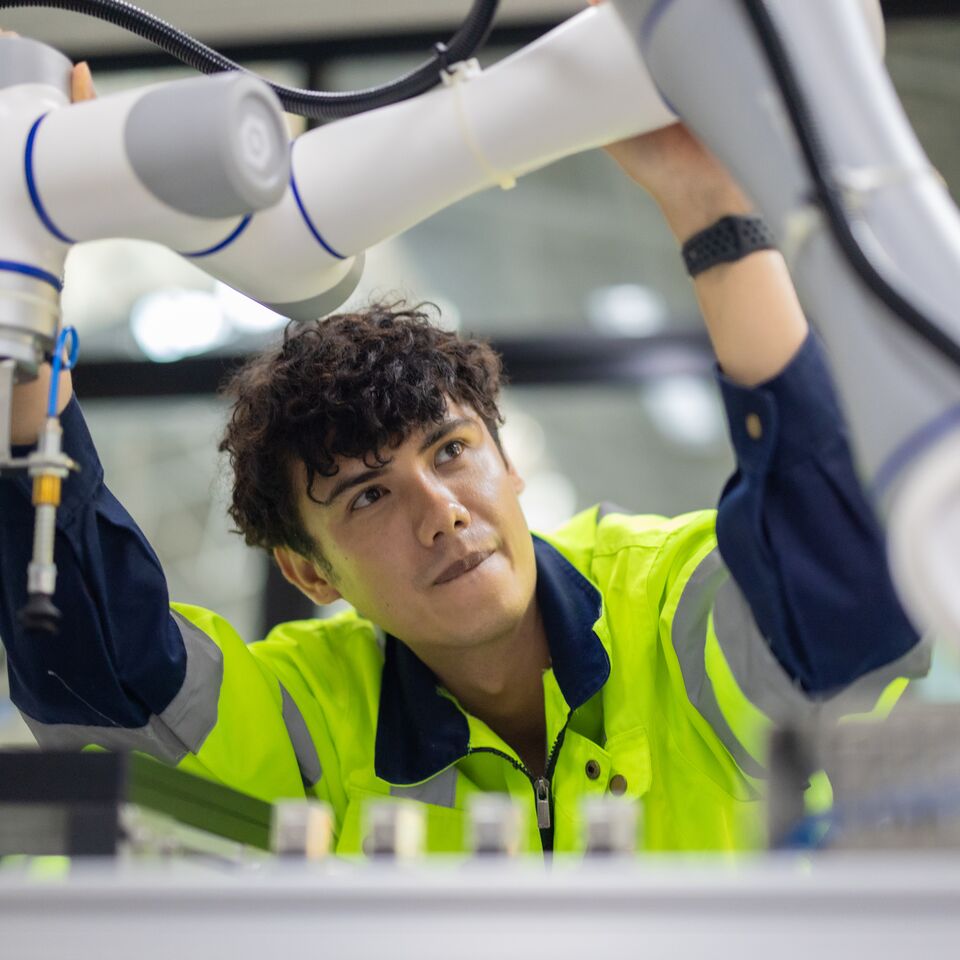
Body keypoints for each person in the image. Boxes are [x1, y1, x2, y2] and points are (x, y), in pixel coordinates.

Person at [0, 50, 926, 855]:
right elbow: (107, 686)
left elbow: (843, 607)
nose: (438, 508)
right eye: (366, 496)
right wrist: (24, 280)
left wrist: (709, 204)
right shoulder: (308, 727)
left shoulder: (667, 617)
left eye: (451, 451)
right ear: (306, 572)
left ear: (509, 463)